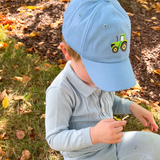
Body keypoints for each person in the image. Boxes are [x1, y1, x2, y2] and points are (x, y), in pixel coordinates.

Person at [45, 0, 160, 159]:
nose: (103, 80)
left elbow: (108, 101)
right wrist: (93, 135)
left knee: (155, 146)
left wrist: (131, 106)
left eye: (110, 70)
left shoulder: (98, 80)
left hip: (112, 146)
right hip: (85, 156)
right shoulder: (61, 91)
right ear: (67, 52)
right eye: (97, 70)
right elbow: (54, 138)